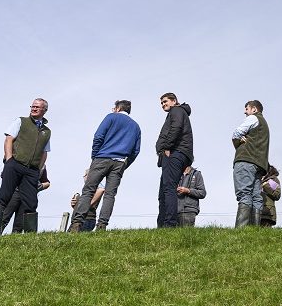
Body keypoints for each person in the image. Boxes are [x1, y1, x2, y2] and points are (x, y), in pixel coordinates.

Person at [69, 100, 141, 232]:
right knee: (110, 195)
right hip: (120, 162)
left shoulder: (111, 117)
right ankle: (102, 225)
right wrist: (125, 164)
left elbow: (98, 136)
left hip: (102, 158)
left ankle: (76, 223)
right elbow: (136, 151)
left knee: (88, 190)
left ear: (118, 108)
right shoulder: (136, 126)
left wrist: (94, 157)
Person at [0, 98, 51, 234]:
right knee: (4, 197)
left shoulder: (47, 131)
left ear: (44, 110)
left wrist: (38, 169)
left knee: (31, 203)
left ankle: (29, 236)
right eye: (32, 106)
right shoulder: (21, 121)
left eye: (37, 107)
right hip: (14, 164)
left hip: (31, 171)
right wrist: (9, 160)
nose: (33, 108)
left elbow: (44, 152)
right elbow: (8, 139)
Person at [155, 93, 193, 228]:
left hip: (175, 153)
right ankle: (163, 224)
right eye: (161, 103)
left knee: (169, 189)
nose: (163, 104)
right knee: (164, 191)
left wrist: (167, 146)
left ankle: (169, 224)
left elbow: (176, 128)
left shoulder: (176, 110)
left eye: (165, 101)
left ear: (174, 101)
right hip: (178, 154)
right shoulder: (178, 112)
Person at [232, 100, 270, 227]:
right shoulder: (265, 125)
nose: (245, 112)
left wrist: (237, 141)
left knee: (244, 194)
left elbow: (236, 133)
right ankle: (254, 231)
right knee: (256, 197)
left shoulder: (253, 118)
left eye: (246, 109)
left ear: (254, 109)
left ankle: (241, 230)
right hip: (259, 164)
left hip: (246, 160)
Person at [2, 166, 50, 234]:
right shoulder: (19, 159)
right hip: (14, 192)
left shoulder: (42, 166)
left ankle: (15, 239)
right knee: (4, 216)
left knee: (20, 222)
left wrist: (38, 186)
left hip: (28, 195)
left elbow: (47, 182)